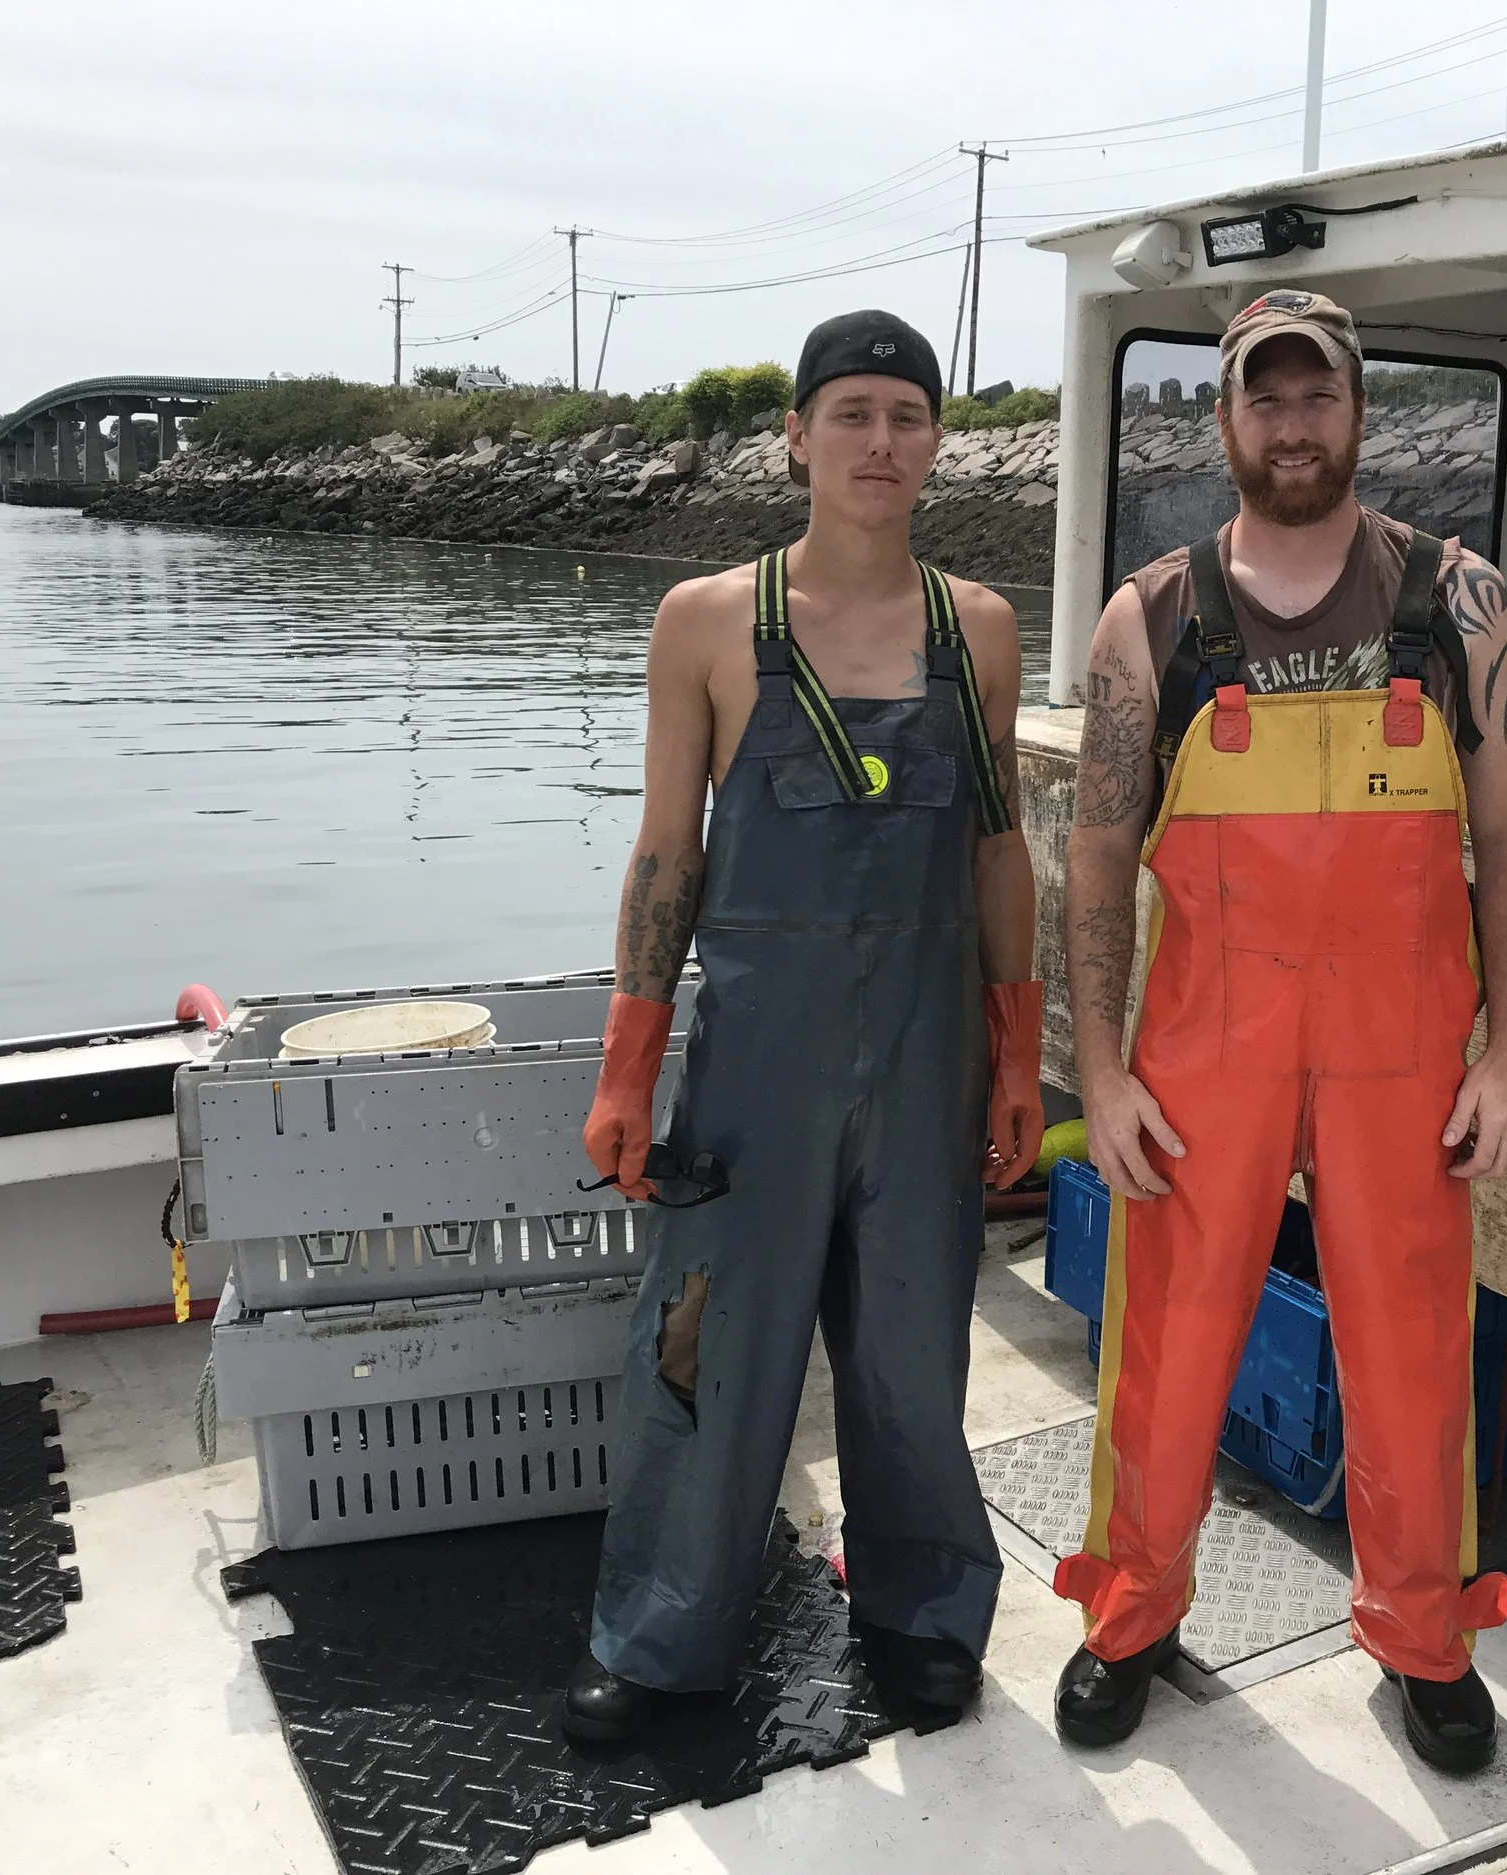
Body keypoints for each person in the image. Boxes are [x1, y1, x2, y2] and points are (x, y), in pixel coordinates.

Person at [1052, 290, 1507, 1773]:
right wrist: (1098, 1070)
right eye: (1263, 398)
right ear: (1224, 421)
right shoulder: (1150, 618)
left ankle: (1423, 1637)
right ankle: (1130, 1610)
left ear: (1356, 411)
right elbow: (1091, 857)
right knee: (1168, 1346)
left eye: (1315, 395)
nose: (1290, 423)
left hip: (1407, 1046)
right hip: (1206, 1047)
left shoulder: (1458, 602)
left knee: (1411, 1353)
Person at [565, 310, 1044, 1741]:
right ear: (797, 435)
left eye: (907, 415)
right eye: (852, 414)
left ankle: (920, 1612)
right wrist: (625, 1072)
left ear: (937, 443)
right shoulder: (707, 622)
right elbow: (667, 857)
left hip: (925, 1056)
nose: (880, 442)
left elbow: (1001, 848)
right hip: (755, 1067)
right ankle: (659, 1636)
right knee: (708, 1347)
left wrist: (1019, 1056)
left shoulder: (982, 630)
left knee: (911, 1355)